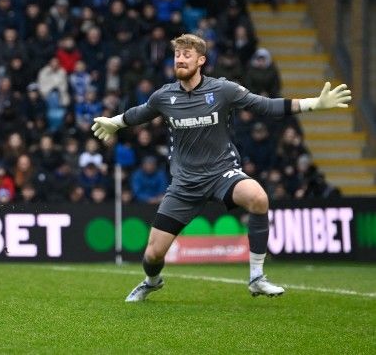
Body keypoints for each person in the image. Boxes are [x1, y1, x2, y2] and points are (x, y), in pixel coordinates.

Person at [91, 34, 351, 302]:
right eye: (177, 55)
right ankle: (151, 281)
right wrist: (116, 122)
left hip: (221, 174)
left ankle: (257, 278)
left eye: (186, 55)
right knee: (153, 255)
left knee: (258, 198)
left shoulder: (223, 90)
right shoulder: (164, 96)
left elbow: (265, 106)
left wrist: (314, 104)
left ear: (201, 60)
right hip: (184, 184)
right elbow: (140, 113)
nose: (180, 60)